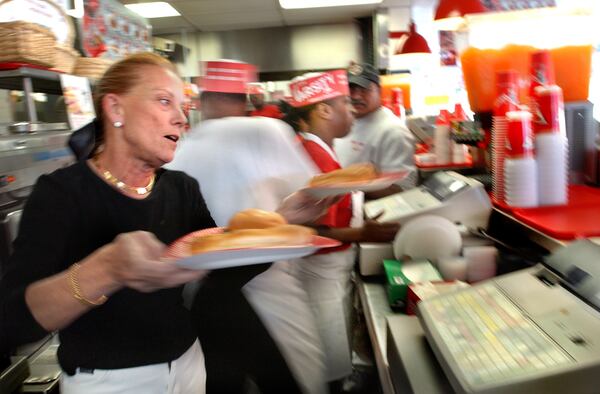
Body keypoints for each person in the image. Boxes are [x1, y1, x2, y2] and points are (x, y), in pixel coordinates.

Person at [0, 53, 335, 394]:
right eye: (164, 101)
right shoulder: (63, 194)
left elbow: (220, 273)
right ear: (116, 109)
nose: (181, 119)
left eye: (181, 105)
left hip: (189, 366)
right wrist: (107, 269)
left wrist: (279, 222)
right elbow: (14, 321)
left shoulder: (180, 187)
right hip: (109, 381)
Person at [167, 60, 328, 394]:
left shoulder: (183, 144)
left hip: (203, 296)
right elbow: (310, 196)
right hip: (264, 287)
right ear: (244, 98)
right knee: (292, 380)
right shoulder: (266, 131)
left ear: (204, 96)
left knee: (223, 381)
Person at [287, 71, 400, 388]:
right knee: (325, 368)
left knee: (329, 358)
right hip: (318, 275)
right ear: (324, 110)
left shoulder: (321, 149)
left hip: (329, 275)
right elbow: (307, 230)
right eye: (346, 103)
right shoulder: (311, 154)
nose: (352, 110)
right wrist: (364, 234)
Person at [334, 62, 417, 199]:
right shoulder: (345, 122)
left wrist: (345, 185)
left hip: (373, 215)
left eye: (364, 89)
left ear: (379, 91)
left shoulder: (393, 131)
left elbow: (401, 189)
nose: (356, 96)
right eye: (351, 89)